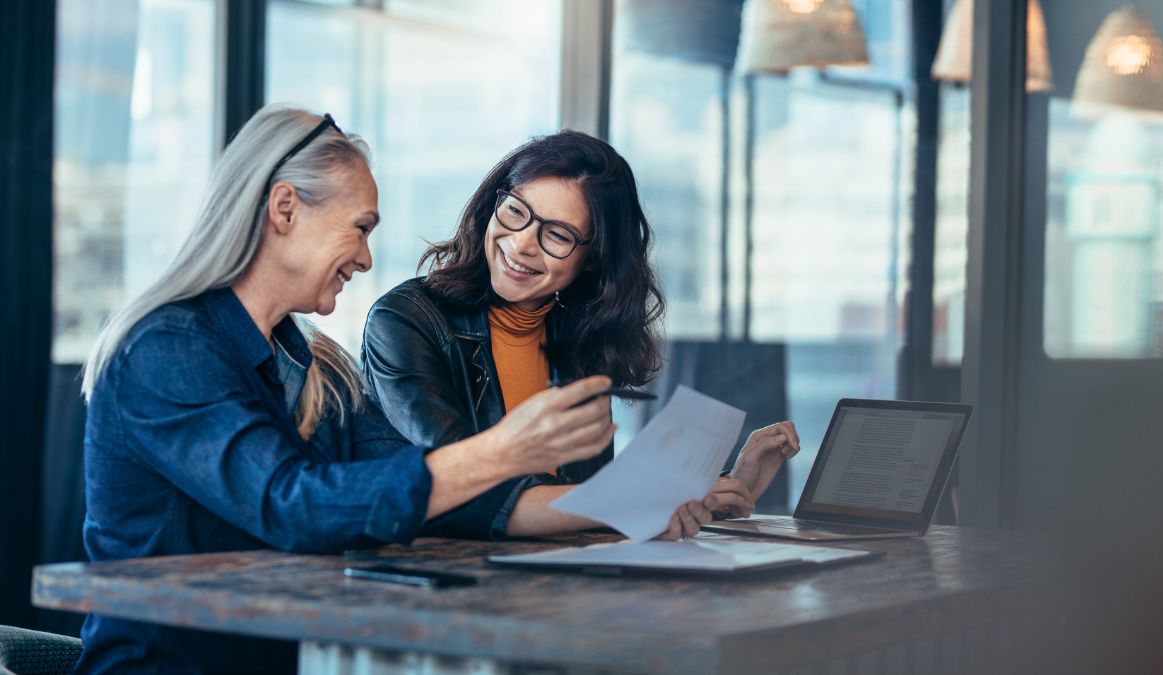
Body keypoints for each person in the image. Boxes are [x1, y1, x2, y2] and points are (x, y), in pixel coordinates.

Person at [74, 107, 623, 674]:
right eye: (360, 228)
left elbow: (448, 495)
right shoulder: (166, 350)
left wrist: (637, 504)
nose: (365, 258)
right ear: (285, 208)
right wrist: (502, 449)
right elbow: (293, 506)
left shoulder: (317, 367)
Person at [361, 130, 800, 540]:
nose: (521, 243)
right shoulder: (406, 319)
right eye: (515, 210)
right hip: (440, 583)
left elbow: (586, 505)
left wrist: (718, 491)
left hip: (553, 581)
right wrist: (638, 502)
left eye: (557, 234)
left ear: (593, 260)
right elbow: (463, 484)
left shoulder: (580, 340)